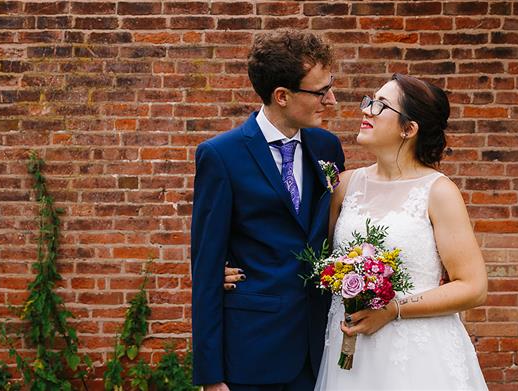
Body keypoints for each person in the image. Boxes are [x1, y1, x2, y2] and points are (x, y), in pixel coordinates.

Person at [191, 30, 346, 391]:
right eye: (321, 92)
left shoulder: (327, 147)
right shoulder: (221, 156)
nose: (332, 100)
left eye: (331, 86)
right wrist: (211, 377)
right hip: (252, 352)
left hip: (318, 346)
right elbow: (206, 268)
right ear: (282, 95)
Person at [315, 74, 488, 390]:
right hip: (351, 354)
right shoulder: (345, 185)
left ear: (409, 129)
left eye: (381, 106)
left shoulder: (438, 192)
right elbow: (315, 256)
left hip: (417, 354)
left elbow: (473, 287)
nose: (366, 110)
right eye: (370, 101)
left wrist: (393, 310)